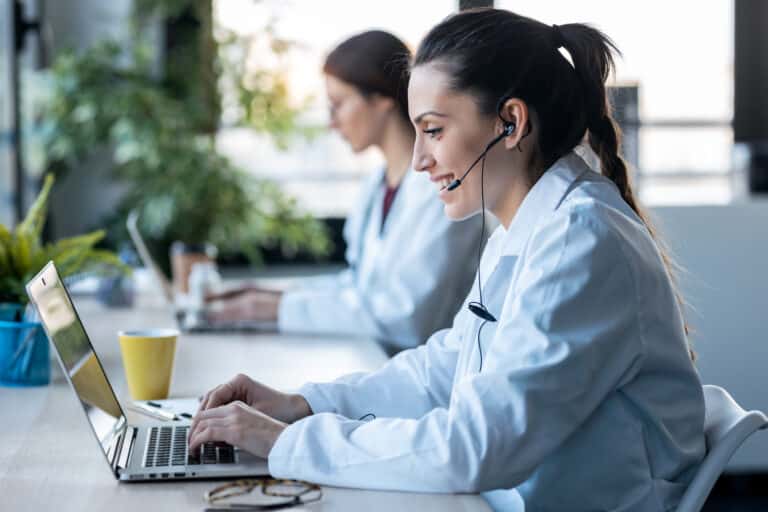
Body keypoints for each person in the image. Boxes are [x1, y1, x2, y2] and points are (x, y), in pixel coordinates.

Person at [190, 10, 705, 511]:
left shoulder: (580, 240)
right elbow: (444, 369)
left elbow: (475, 449)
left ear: (510, 122)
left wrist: (287, 444)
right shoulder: (524, 224)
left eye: (433, 130)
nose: (418, 160)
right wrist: (302, 404)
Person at [207, 30, 482, 352]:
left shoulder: (445, 191)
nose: (331, 123)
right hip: (372, 359)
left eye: (338, 105)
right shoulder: (376, 187)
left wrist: (275, 309)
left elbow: (405, 318)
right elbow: (358, 285)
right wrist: (271, 295)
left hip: (420, 376)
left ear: (381, 99)